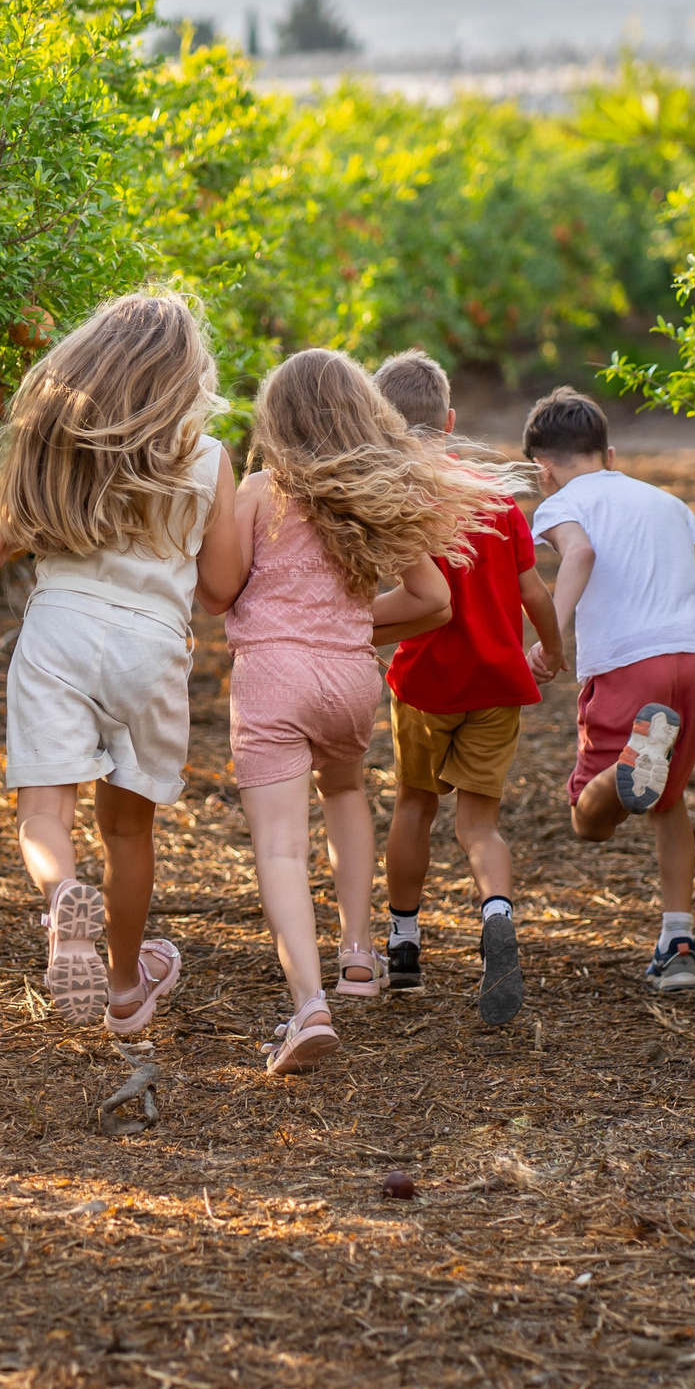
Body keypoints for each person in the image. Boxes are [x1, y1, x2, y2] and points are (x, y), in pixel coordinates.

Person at [0, 291, 246, 1036]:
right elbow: (221, 589)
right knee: (128, 832)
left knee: (43, 810)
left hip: (59, 632)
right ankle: (127, 988)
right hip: (150, 650)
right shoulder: (205, 457)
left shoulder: (59, 434)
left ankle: (63, 900)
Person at [205, 348, 505, 1074]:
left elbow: (218, 593)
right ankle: (360, 955)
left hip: (274, 678)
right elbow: (432, 599)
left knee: (281, 846)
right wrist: (345, 625)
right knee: (344, 792)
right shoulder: (370, 498)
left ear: (273, 419)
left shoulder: (258, 492)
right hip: (348, 679)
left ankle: (310, 1006)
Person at [368, 350, 564, 1024]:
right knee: (479, 823)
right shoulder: (498, 497)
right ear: (449, 420)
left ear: (380, 424)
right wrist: (552, 651)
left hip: (425, 684)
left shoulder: (395, 499)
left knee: (414, 806)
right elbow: (534, 591)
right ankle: (497, 914)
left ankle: (404, 946)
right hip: (498, 683)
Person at [521, 389, 695, 992]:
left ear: (542, 470)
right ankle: (679, 946)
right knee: (668, 799)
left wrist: (551, 640)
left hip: (630, 665)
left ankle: (628, 765)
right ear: (610, 455)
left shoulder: (561, 502)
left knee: (589, 823)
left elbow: (581, 553)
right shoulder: (668, 503)